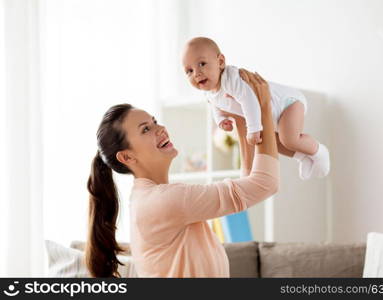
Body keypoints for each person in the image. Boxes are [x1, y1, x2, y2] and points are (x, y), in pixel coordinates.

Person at [85, 70, 279, 278]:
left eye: (155, 121)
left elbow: (249, 186)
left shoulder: (155, 198)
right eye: (145, 130)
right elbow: (265, 183)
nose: (160, 128)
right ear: (127, 158)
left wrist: (242, 120)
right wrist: (263, 107)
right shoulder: (165, 200)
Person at [182, 37, 330, 180]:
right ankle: (302, 156)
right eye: (189, 71)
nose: (197, 73)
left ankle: (319, 151)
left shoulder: (231, 79)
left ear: (220, 62)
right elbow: (216, 106)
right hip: (272, 115)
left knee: (289, 139)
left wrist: (253, 128)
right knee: (272, 141)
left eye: (202, 64)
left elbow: (249, 100)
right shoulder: (209, 93)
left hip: (288, 103)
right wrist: (221, 120)